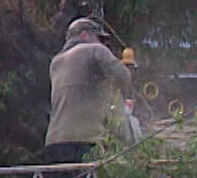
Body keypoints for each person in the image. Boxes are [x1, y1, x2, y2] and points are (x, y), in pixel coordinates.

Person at [44, 17, 137, 164]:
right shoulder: (96, 50)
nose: (102, 43)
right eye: (99, 38)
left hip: (54, 143)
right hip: (85, 143)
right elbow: (124, 78)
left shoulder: (55, 62)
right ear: (85, 35)